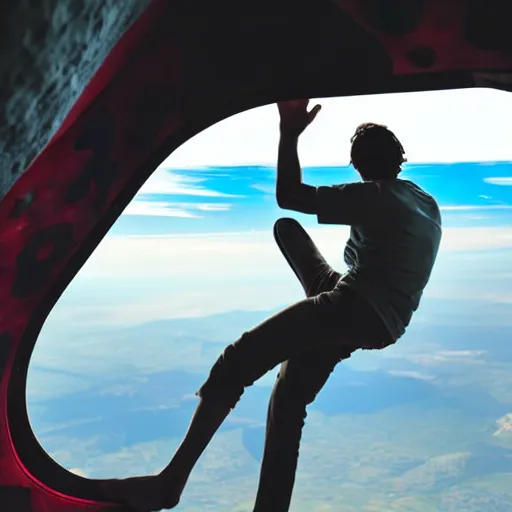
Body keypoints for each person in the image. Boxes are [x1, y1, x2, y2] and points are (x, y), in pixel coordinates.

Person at [100, 99, 442, 511]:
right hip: (381, 318)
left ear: (359, 166)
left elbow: (288, 195)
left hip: (354, 306)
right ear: (400, 157)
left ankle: (169, 483)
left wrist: (289, 133)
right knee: (289, 393)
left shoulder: (376, 196)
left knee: (236, 361)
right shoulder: (424, 201)